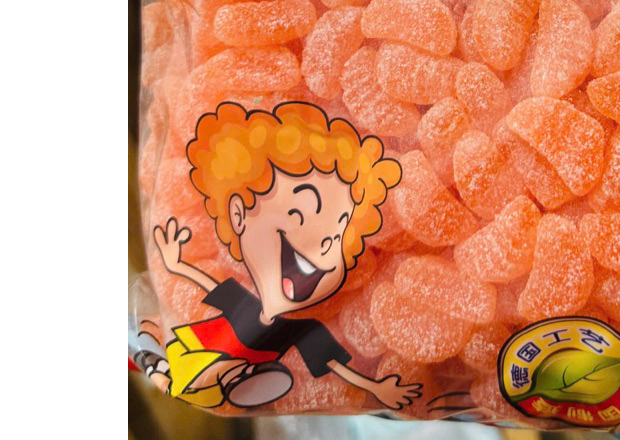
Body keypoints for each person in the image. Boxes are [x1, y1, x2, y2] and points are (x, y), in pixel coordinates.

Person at [137, 100, 421, 411]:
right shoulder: (250, 303)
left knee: (207, 365)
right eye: (302, 211)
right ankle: (213, 373)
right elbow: (207, 284)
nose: (327, 240)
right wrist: (176, 263)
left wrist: (376, 388)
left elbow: (334, 364)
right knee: (192, 358)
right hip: (203, 346)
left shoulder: (300, 328)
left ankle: (233, 377)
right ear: (237, 213)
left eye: (341, 229)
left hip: (229, 362)